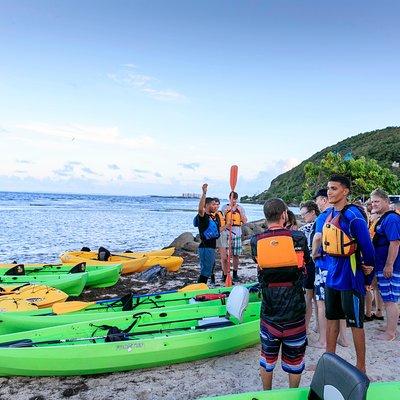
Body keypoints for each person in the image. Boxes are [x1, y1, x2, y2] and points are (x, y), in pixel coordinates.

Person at [251, 198, 309, 390]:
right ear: (284, 214)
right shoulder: (299, 238)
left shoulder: (255, 241)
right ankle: (293, 394)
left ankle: (267, 393)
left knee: (267, 358)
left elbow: (260, 264)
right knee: (295, 360)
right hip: (295, 312)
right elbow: (305, 264)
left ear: (265, 217)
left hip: (269, 312)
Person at [322, 175, 375, 373]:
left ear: (345, 191)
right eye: (328, 188)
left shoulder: (354, 217)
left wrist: (368, 278)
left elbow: (368, 251)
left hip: (351, 278)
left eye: (334, 188)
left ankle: (361, 368)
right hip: (332, 277)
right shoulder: (329, 214)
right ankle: (329, 360)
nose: (329, 192)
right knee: (331, 320)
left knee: (356, 323)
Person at [311, 188, 349, 348]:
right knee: (339, 302)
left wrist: (313, 253)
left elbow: (318, 237)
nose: (316, 203)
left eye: (317, 200)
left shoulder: (323, 216)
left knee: (321, 302)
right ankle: (344, 339)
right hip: (339, 264)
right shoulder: (341, 214)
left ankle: (323, 340)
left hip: (324, 264)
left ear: (324, 199)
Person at [370, 188, 400, 341]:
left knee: (390, 300)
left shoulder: (392, 219)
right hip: (381, 264)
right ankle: (390, 326)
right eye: (372, 201)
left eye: (377, 201)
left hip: (390, 266)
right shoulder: (383, 218)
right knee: (386, 297)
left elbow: (395, 243)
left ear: (386, 202)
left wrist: (389, 265)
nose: (373, 204)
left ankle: (390, 333)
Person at [299, 200, 319, 333]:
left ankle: (305, 327)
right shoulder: (322, 223)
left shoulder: (308, 227)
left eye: (304, 215)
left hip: (311, 264)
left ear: (312, 212)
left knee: (309, 298)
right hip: (319, 264)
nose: (303, 218)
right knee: (318, 299)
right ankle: (318, 325)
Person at [195, 184, 220, 284]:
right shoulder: (203, 217)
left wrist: (227, 225)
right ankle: (199, 292)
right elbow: (200, 209)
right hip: (205, 248)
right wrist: (204, 193)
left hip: (211, 248)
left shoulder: (212, 218)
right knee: (205, 273)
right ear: (207, 205)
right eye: (213, 204)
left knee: (208, 271)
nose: (215, 206)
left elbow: (216, 232)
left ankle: (202, 289)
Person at [221, 191, 247, 281]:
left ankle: (235, 274)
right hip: (226, 234)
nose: (234, 201)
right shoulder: (224, 207)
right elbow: (221, 219)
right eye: (232, 198)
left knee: (236, 255)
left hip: (237, 233)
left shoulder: (241, 208)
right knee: (225, 256)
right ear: (229, 198)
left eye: (235, 199)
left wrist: (240, 212)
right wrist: (228, 211)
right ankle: (224, 274)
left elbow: (245, 221)